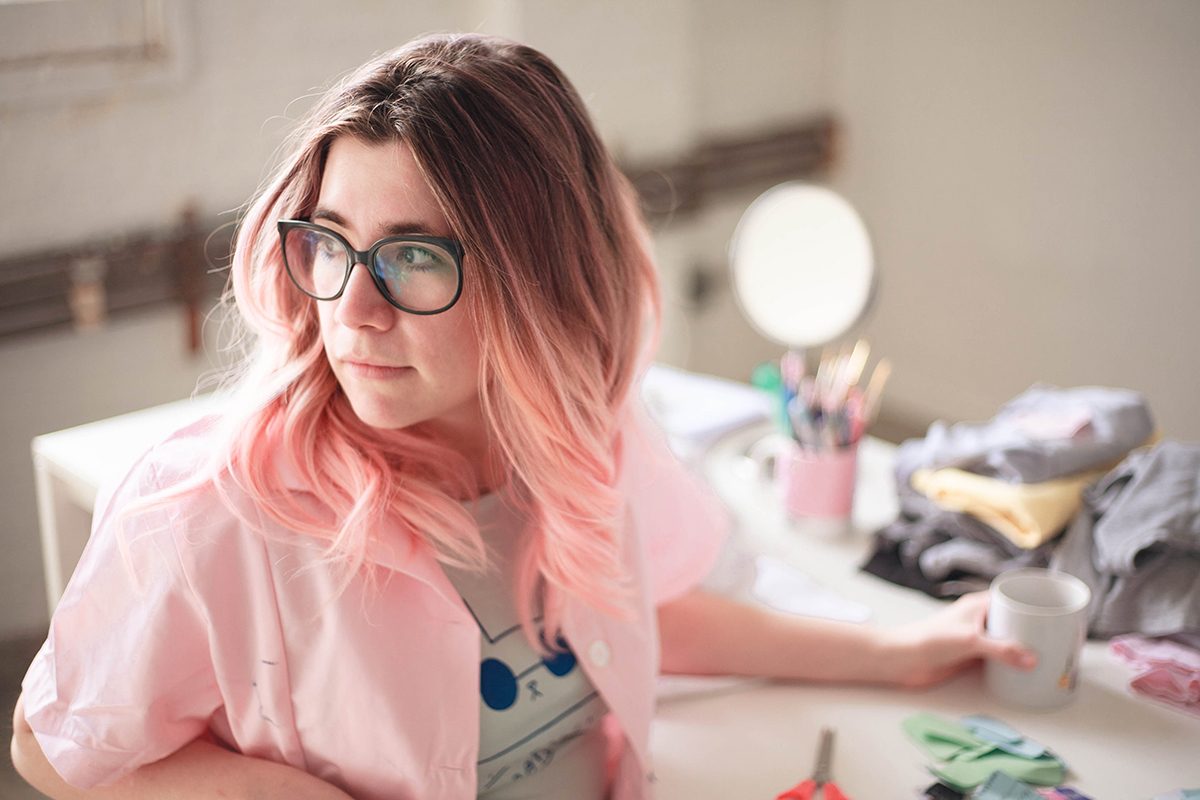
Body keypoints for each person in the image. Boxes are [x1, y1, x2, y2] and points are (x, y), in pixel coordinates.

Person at [10, 32, 1035, 800]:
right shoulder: (211, 514)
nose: (351, 310)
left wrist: (897, 652)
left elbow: (639, 615)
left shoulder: (588, 437)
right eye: (330, 242)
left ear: (541, 281)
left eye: (416, 256)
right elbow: (49, 751)